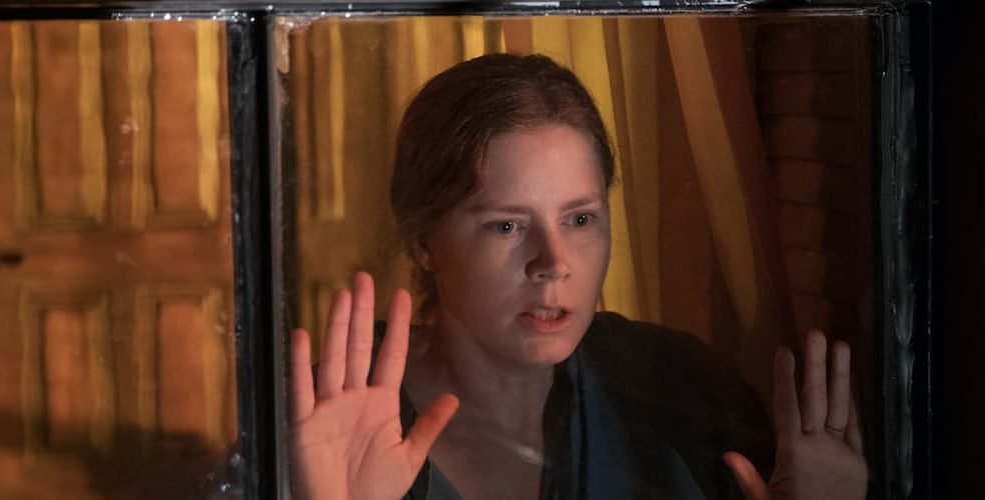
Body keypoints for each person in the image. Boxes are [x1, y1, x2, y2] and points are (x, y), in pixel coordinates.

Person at [288, 53, 868, 500]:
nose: (554, 262)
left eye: (580, 219)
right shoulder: (326, 426)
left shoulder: (683, 393)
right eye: (507, 226)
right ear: (423, 243)